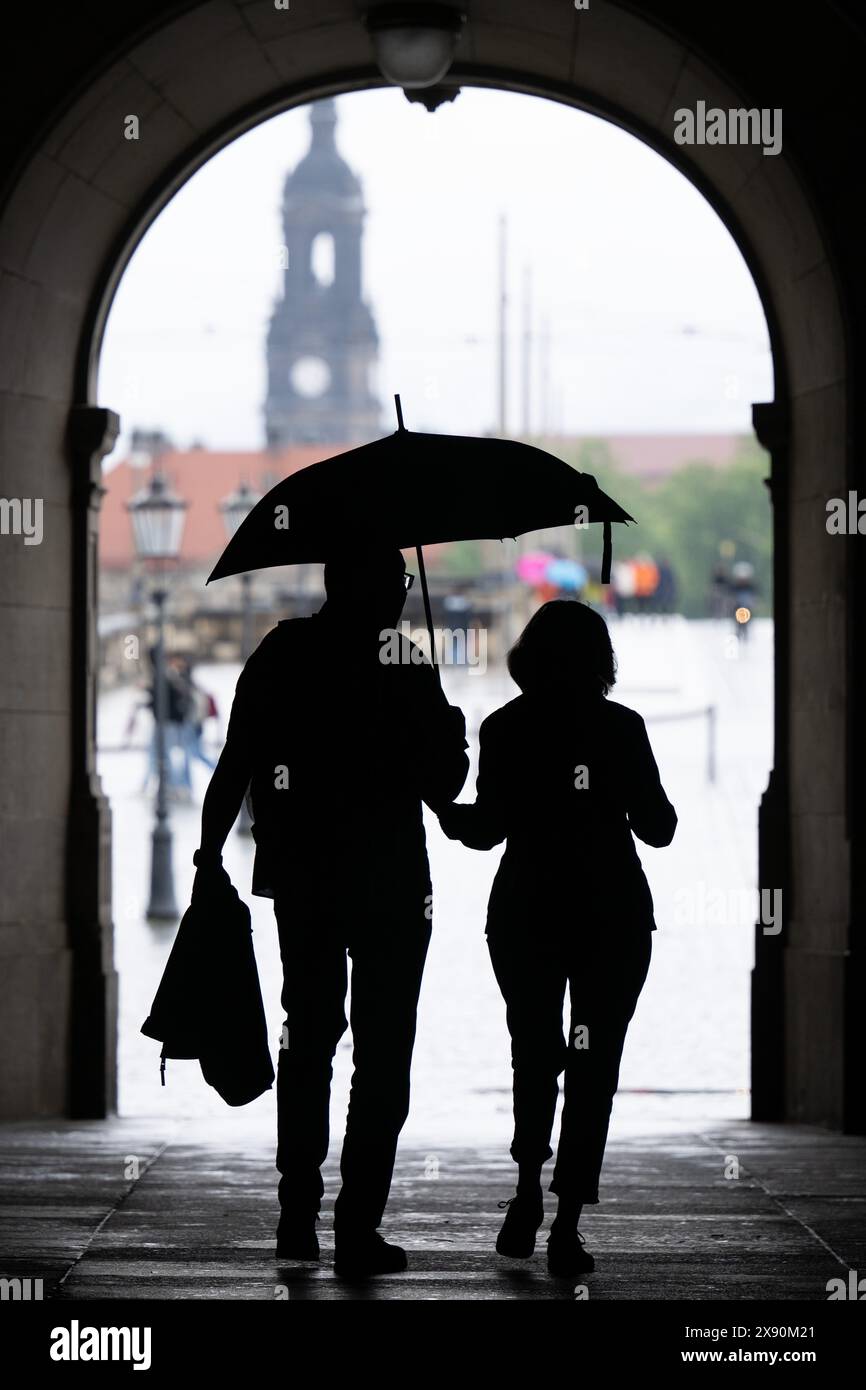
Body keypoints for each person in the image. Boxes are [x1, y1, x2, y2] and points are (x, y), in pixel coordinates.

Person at [193, 548, 468, 1279]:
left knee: (308, 1038)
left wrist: (206, 856)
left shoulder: (283, 650)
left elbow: (237, 761)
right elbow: (442, 789)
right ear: (379, 591)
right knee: (384, 1053)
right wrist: (454, 733)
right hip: (392, 881)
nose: (406, 597)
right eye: (400, 586)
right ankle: (357, 1225)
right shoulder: (404, 660)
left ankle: (296, 1213)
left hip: (304, 876)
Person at [437, 600, 677, 1277]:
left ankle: (523, 1193)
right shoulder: (622, 727)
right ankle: (567, 1222)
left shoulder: (505, 728)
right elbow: (658, 827)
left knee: (534, 1050)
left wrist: (442, 804)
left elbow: (486, 830)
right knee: (594, 1066)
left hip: (526, 910)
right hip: (612, 913)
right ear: (601, 661)